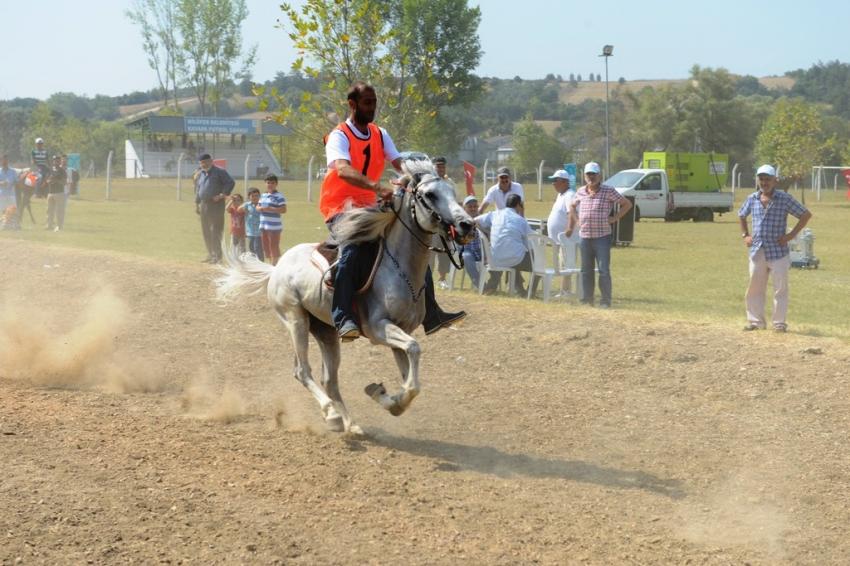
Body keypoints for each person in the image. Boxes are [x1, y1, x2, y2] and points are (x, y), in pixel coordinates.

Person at [319, 81, 465, 340]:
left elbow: (400, 163)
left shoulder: (379, 133)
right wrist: (377, 187)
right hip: (340, 206)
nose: (372, 108)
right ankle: (343, 316)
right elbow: (342, 169)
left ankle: (431, 313)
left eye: (374, 102)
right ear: (352, 105)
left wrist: (423, 177)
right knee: (351, 251)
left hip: (373, 205)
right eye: (367, 103)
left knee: (415, 244)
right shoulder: (339, 135)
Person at [739, 164, 812, 332]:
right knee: (755, 287)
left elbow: (805, 215)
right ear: (758, 180)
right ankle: (756, 322)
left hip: (778, 251)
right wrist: (745, 235)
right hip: (758, 250)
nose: (764, 182)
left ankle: (779, 323)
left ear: (775, 181)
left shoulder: (784, 198)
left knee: (780, 288)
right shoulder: (752, 198)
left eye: (768, 179)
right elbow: (741, 215)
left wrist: (791, 235)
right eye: (762, 179)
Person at [566, 161, 632, 308]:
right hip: (585, 237)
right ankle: (586, 300)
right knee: (586, 270)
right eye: (588, 174)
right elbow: (571, 206)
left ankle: (605, 301)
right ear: (584, 176)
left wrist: (614, 218)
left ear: (599, 175)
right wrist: (576, 221)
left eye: (593, 174)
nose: (591, 177)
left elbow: (627, 204)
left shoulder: (608, 190)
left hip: (602, 237)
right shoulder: (581, 191)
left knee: (603, 270)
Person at [475, 194, 537, 296]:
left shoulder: (494, 214)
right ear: (518, 205)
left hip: (494, 259)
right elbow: (530, 240)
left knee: (512, 255)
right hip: (513, 259)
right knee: (537, 261)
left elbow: (475, 220)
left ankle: (512, 288)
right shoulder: (521, 220)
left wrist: (486, 232)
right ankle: (530, 292)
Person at [194, 153, 235, 263]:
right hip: (203, 204)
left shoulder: (220, 172)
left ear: (211, 161)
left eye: (206, 162)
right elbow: (198, 189)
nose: (204, 164)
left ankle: (217, 256)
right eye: (201, 163)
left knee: (216, 230)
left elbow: (230, 183)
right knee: (206, 230)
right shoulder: (200, 173)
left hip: (216, 205)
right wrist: (197, 204)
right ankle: (210, 254)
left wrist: (222, 195)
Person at [547, 169, 578, 296]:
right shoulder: (561, 195)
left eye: (555, 180)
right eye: (552, 181)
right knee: (562, 264)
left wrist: (569, 231)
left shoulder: (570, 194)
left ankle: (565, 291)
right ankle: (564, 290)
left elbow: (571, 213)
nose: (553, 183)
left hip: (567, 238)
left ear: (565, 182)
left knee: (566, 264)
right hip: (559, 239)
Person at [431, 156, 451, 288]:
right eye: (438, 166)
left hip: (445, 223)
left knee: (445, 252)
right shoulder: (428, 183)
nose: (440, 168)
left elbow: (457, 203)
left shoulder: (450, 183)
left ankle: (442, 279)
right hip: (431, 224)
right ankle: (427, 278)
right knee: (429, 253)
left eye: (442, 166)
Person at [258, 174, 286, 265]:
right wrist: (260, 208)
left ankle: (275, 264)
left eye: (272, 183)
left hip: (274, 226)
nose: (270, 184)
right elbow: (257, 206)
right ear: (265, 183)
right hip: (263, 224)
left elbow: (283, 209)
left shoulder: (279, 196)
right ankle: (270, 263)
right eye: (268, 182)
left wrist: (271, 209)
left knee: (273, 245)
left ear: (276, 184)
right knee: (265, 246)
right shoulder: (263, 195)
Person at [460, 195, 482, 288]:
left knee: (498, 255)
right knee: (466, 257)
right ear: (464, 208)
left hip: (482, 251)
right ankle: (478, 283)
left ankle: (492, 284)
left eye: (475, 206)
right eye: (470, 207)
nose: (473, 209)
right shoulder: (460, 221)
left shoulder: (483, 219)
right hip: (467, 251)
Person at [45, 155, 67, 231]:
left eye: (58, 160)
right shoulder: (50, 170)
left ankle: (59, 226)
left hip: (59, 193)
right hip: (50, 192)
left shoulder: (62, 171)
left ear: (60, 161)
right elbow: (47, 180)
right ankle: (49, 225)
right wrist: (50, 181)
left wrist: (56, 180)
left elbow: (64, 182)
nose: (56, 162)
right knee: (49, 211)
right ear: (53, 161)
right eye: (55, 160)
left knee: (59, 211)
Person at [240, 187, 264, 261]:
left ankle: (261, 263)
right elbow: (239, 209)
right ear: (249, 197)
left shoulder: (261, 204)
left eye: (256, 195)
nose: (254, 197)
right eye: (252, 196)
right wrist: (245, 209)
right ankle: (254, 263)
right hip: (250, 231)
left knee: (258, 248)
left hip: (259, 231)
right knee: (252, 248)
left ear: (259, 196)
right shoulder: (247, 205)